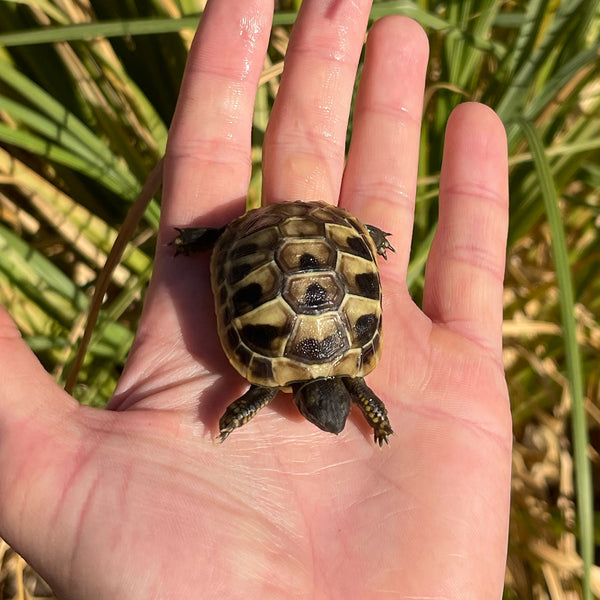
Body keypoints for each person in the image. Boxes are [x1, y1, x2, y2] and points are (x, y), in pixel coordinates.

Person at [0, 0, 511, 598]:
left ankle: (237, 240)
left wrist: (256, 414)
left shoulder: (324, 376)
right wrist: (246, 412)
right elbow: (318, 394)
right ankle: (228, 238)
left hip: (309, 245)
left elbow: (337, 395)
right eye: (337, 412)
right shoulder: (309, 377)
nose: (334, 415)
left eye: (333, 412)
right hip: (298, 245)